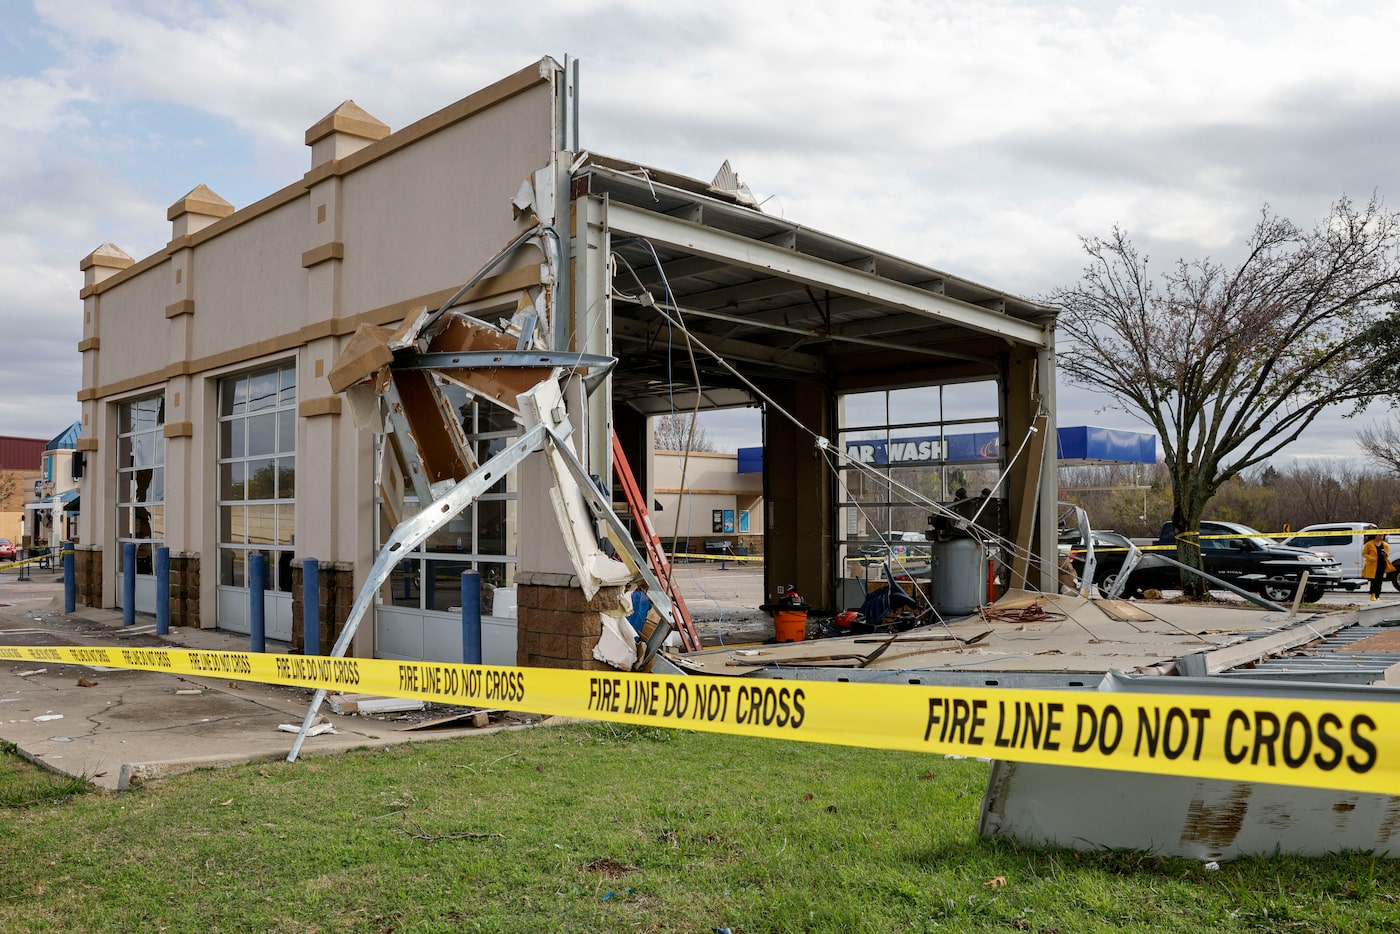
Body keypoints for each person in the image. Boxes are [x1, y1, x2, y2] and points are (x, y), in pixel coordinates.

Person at [1362, 533, 1394, 602]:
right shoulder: (1369, 544)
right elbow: (1364, 553)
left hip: (1381, 564)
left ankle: (1378, 595)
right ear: (1375, 535)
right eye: (1379, 535)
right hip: (1372, 565)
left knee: (1380, 580)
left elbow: (1388, 554)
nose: (1381, 537)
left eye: (1382, 536)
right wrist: (1371, 558)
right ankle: (1372, 594)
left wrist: (1385, 554)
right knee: (1374, 580)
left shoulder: (1385, 544)